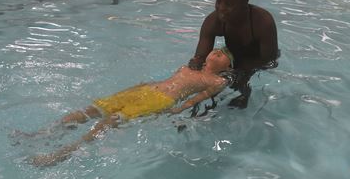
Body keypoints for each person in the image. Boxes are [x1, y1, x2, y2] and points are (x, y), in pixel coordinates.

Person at [28, 48, 234, 167]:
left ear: (228, 66)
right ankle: (41, 134)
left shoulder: (216, 81)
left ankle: (62, 153)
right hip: (144, 90)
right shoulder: (189, 67)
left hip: (161, 101)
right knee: (91, 110)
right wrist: (139, 86)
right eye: (217, 49)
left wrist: (178, 111)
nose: (218, 51)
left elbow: (197, 99)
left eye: (224, 54)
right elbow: (165, 79)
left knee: (108, 122)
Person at [188, 0, 279, 108]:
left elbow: (270, 60)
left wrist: (241, 72)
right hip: (231, 60)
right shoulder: (213, 22)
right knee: (207, 89)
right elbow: (200, 56)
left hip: (256, 60)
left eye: (229, 4)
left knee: (240, 92)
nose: (221, 8)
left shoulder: (262, 22)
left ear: (245, 2)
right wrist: (195, 65)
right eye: (219, 1)